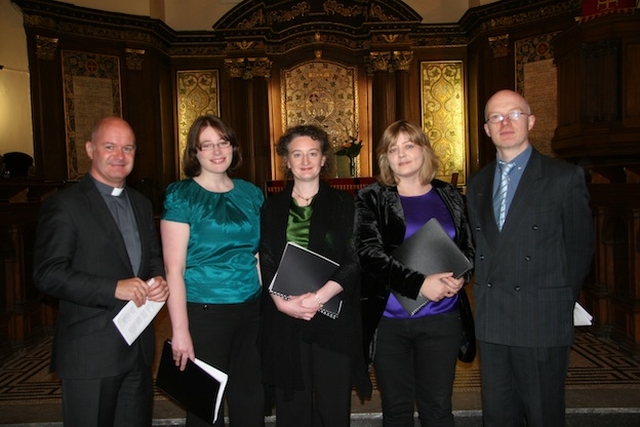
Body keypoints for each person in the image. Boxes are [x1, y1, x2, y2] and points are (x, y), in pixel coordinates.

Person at [466, 89, 594, 427]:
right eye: (496, 117)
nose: (505, 122)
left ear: (531, 121)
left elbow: (580, 250)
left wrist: (556, 303)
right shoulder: (477, 183)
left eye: (514, 114)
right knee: (498, 416)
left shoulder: (563, 178)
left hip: (540, 320)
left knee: (543, 416)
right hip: (493, 321)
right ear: (486, 129)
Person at [33, 116, 169, 427]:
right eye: (110, 147)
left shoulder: (141, 203)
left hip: (138, 350)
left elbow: (150, 256)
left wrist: (158, 279)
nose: (120, 156)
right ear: (90, 149)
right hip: (90, 353)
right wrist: (113, 288)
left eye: (128, 148)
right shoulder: (65, 205)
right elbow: (47, 274)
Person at [354, 120, 474, 427]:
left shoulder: (448, 194)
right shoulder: (372, 197)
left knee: (438, 409)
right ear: (386, 157)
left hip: (441, 320)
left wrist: (462, 276)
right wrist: (420, 284)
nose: (401, 154)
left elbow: (468, 248)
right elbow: (369, 255)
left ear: (424, 150)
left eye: (409, 145)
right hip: (390, 323)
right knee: (397, 410)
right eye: (393, 148)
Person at [259, 124, 371, 427]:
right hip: (285, 318)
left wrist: (319, 297)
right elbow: (266, 257)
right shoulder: (272, 206)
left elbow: (354, 258)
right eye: (297, 154)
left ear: (324, 159)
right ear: (287, 160)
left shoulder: (345, 204)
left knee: (332, 407)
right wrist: (281, 302)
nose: (305, 160)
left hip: (332, 318)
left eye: (313, 153)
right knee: (291, 407)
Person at [160, 115, 265, 427]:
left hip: (251, 310)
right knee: (205, 406)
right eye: (207, 145)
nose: (217, 151)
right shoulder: (182, 195)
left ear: (233, 146)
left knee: (251, 398)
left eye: (223, 142)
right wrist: (180, 331)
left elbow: (258, 255)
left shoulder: (250, 193)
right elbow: (173, 269)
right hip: (204, 311)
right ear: (195, 152)